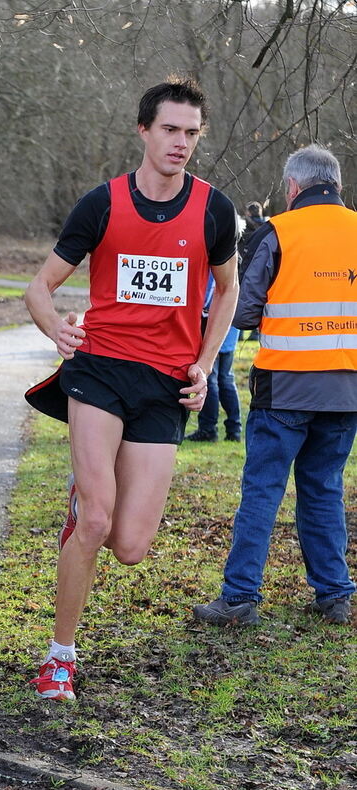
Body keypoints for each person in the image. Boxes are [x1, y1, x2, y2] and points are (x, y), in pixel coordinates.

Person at [24, 77, 239, 700]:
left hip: (164, 382)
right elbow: (40, 289)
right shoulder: (103, 204)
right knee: (94, 519)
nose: (180, 143)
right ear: (144, 130)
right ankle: (60, 657)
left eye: (191, 133)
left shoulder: (214, 210)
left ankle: (88, 499)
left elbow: (226, 290)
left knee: (131, 545)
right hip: (100, 370)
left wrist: (201, 363)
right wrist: (56, 331)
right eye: (169, 130)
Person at [194, 144, 357, 627]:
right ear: (338, 187)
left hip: (284, 388)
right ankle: (335, 595)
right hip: (347, 390)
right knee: (324, 489)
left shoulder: (277, 232)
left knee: (263, 491)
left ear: (292, 187)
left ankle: (240, 597)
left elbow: (242, 310)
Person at [185, 274, 241, 442]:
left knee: (210, 380)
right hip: (230, 332)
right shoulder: (235, 266)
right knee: (227, 379)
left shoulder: (217, 265)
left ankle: (208, 429)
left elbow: (209, 297)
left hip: (215, 332)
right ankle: (234, 429)